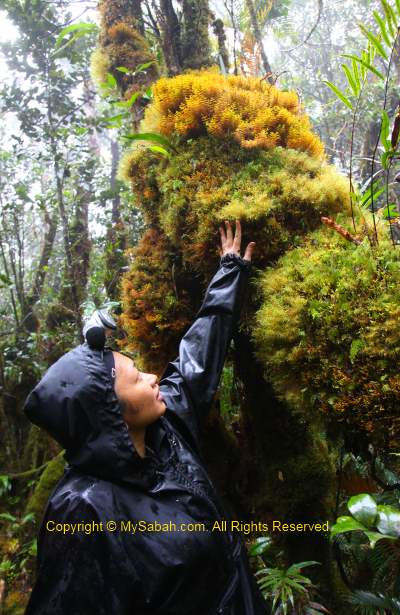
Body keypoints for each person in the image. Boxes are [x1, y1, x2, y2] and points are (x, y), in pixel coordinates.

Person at [23, 219, 268, 615]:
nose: (154, 377)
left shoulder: (163, 432)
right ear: (109, 413)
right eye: (137, 378)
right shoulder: (83, 510)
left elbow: (195, 362)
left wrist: (230, 271)